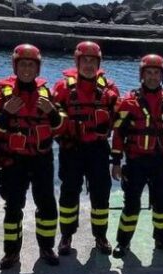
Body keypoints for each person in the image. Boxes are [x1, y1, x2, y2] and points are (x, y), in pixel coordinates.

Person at [0, 44, 66, 269]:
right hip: (14, 160)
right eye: (23, 64)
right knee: (13, 207)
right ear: (15, 66)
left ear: (38, 68)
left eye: (31, 65)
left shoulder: (46, 93)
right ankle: (12, 253)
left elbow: (60, 126)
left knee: (47, 205)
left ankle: (46, 247)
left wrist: (51, 112)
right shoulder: (2, 94)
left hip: (42, 159)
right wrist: (4, 115)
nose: (27, 69)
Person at [110, 54, 163, 258]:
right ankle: (123, 242)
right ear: (142, 75)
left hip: (161, 162)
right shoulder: (128, 102)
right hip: (135, 162)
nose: (152, 77)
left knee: (162, 204)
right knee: (131, 204)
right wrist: (115, 162)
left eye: (156, 73)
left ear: (162, 76)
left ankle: (162, 240)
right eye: (148, 73)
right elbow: (118, 135)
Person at [53, 41, 120, 256]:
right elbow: (53, 120)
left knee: (101, 194)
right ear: (77, 62)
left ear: (98, 63)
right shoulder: (63, 88)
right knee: (69, 194)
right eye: (85, 60)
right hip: (71, 150)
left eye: (93, 61)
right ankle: (66, 235)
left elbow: (119, 121)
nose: (89, 65)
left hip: (98, 150)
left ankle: (100, 235)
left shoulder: (110, 89)